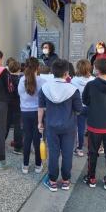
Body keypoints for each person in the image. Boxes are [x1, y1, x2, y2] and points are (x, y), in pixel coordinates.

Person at [39, 59, 82, 191]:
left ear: (52, 72)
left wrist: (39, 122)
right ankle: (65, 180)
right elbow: (79, 109)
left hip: (51, 125)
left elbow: (41, 107)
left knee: (53, 153)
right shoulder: (73, 90)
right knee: (68, 153)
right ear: (66, 73)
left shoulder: (45, 88)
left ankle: (52, 181)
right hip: (69, 126)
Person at [82, 59, 106, 191]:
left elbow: (85, 100)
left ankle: (91, 177)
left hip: (94, 125)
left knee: (92, 152)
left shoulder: (91, 85)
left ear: (97, 70)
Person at [18, 57, 45, 174]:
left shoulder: (21, 80)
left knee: (27, 138)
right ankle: (38, 165)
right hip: (38, 112)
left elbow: (20, 95)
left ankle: (25, 165)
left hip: (25, 112)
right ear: (37, 67)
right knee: (37, 138)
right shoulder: (42, 80)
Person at [71, 59, 94, 157]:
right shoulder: (94, 80)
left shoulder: (73, 80)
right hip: (91, 106)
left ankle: (79, 148)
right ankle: (96, 147)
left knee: (80, 128)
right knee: (93, 128)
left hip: (79, 106)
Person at [6, 60, 23, 155]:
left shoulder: (6, 78)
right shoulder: (20, 79)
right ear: (19, 69)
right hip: (18, 103)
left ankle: (1, 141)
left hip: (7, 103)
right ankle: (17, 147)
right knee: (18, 126)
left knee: (6, 123)